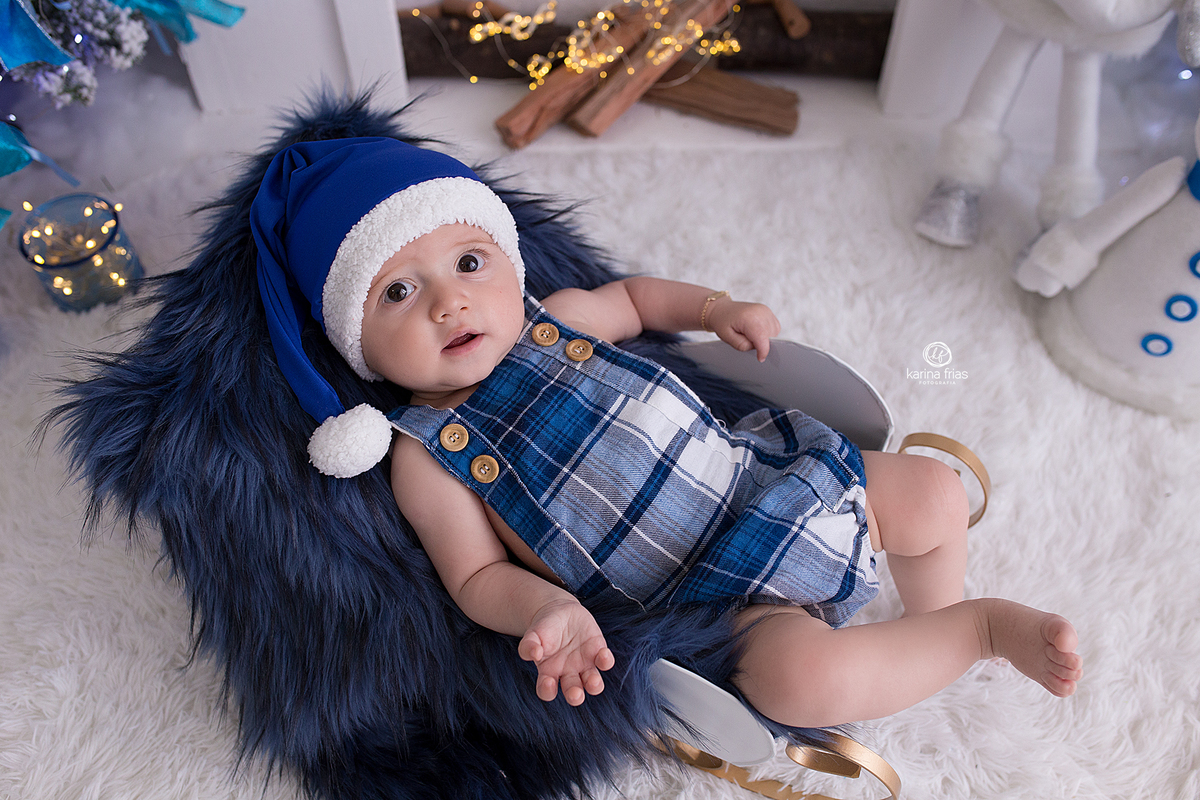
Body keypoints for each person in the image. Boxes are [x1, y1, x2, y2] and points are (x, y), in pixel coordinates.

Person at [251, 136, 1082, 730]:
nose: (449, 302)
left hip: (763, 481)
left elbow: (639, 299)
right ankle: (975, 633)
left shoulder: (562, 318)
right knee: (801, 683)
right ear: (356, 345)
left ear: (508, 261)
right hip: (715, 601)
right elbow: (473, 577)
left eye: (469, 263)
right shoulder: (426, 453)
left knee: (931, 491)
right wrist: (548, 609)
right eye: (398, 292)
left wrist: (717, 310)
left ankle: (936, 616)